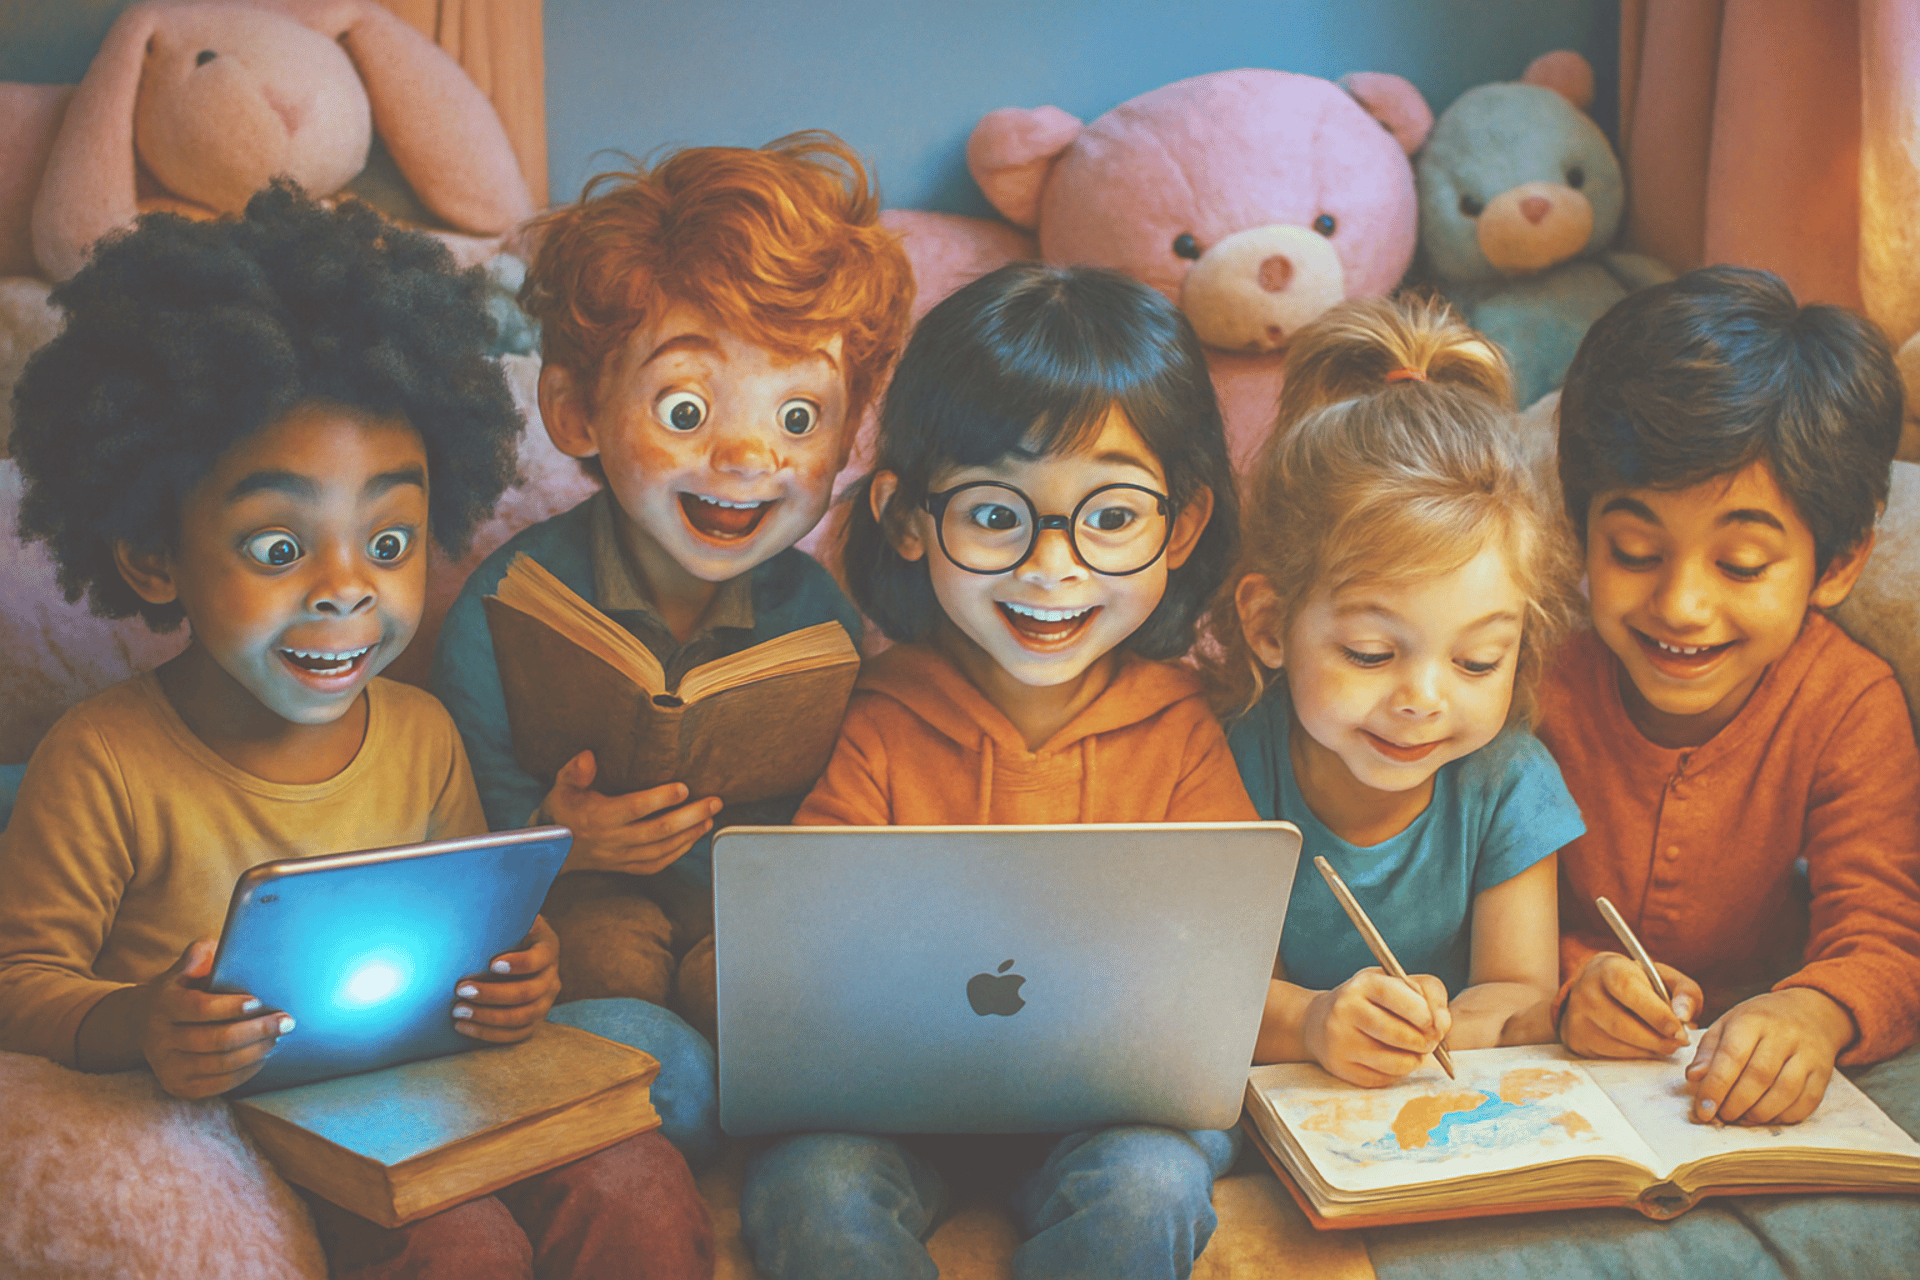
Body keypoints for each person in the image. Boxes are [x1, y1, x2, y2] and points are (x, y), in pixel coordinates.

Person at [0, 185, 712, 1280]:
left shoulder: (421, 732)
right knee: (460, 1245)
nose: (347, 590)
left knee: (640, 1180)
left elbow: (481, 929)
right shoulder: (102, 759)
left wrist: (521, 971)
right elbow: (19, 981)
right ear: (153, 555)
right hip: (276, 1121)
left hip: (439, 1088)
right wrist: (144, 1022)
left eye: (388, 543)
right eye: (280, 550)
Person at [739, 262, 1249, 1280]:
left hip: (1113, 1112)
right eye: (994, 514)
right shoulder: (878, 719)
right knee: (811, 1188)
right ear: (907, 519)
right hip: (889, 1105)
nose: (1051, 567)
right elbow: (804, 956)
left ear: (1182, 527)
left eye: (1111, 518)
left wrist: (1314, 1016)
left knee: (1153, 1185)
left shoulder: (1183, 731)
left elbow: (1225, 983)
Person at [431, 132, 913, 1044]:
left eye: (799, 417)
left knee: (766, 991)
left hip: (749, 913)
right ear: (576, 409)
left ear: (852, 435)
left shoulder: (822, 615)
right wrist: (560, 835)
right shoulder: (511, 596)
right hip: (583, 901)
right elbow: (457, 823)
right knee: (607, 974)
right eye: (685, 410)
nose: (747, 457)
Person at [1548, 265, 1920, 1126]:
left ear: (1837, 564)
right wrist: (1567, 982)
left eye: (1742, 565)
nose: (1682, 605)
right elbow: (1460, 899)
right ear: (1581, 532)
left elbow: (1887, 937)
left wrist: (1814, 1012)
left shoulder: (1846, 704)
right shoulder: (1537, 683)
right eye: (1636, 552)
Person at [1205, 295, 1585, 1087]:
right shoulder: (1224, 760)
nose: (1423, 699)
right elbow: (1215, 996)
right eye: (1371, 654)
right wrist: (1316, 1023)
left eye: (1477, 661)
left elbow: (1520, 995)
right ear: (1270, 625)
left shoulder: (1508, 781)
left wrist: (1437, 1028)